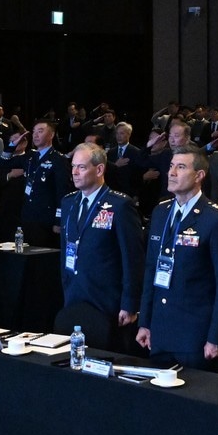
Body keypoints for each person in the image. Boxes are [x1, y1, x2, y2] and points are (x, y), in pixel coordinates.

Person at [136, 146, 218, 370]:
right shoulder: (160, 212)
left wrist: (217, 336)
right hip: (160, 330)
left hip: (195, 335)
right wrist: (145, 321)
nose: (171, 173)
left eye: (181, 167)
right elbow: (151, 270)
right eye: (171, 166)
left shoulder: (216, 220)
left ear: (199, 175)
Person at [59, 143, 145, 336]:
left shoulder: (120, 205)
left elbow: (133, 259)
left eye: (81, 167)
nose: (75, 172)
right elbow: (66, 248)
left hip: (107, 298)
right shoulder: (68, 202)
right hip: (75, 292)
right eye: (73, 166)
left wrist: (130, 303)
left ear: (99, 169)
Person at [17, 120, 71, 247]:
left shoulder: (59, 159)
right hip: (28, 215)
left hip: (46, 218)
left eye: (40, 131)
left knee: (43, 257)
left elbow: (62, 192)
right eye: (34, 132)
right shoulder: (31, 156)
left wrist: (58, 220)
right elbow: (4, 161)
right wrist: (14, 144)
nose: (35, 135)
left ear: (51, 135)